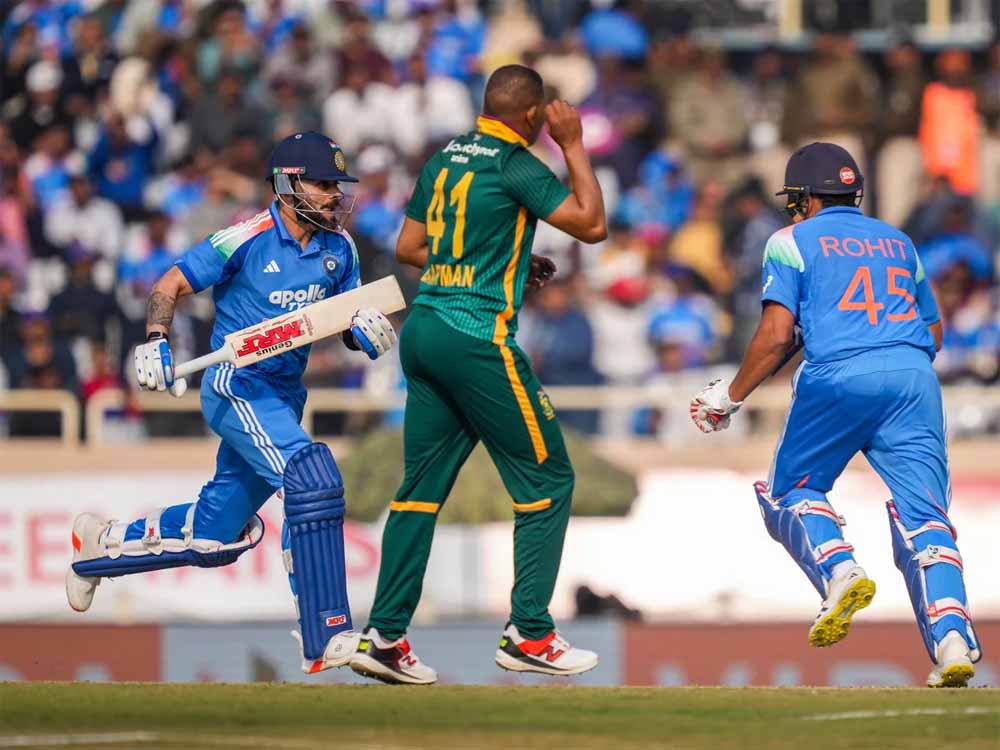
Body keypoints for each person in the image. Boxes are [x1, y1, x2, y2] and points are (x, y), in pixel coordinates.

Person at [65, 131, 398, 675]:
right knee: (311, 477)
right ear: (288, 185)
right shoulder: (246, 237)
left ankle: (98, 547)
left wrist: (362, 332)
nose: (335, 195)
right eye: (323, 184)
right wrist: (155, 339)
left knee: (215, 535)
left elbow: (342, 321)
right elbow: (170, 282)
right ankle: (327, 635)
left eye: (337, 185)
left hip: (283, 397)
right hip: (235, 384)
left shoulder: (341, 248)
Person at [349, 64, 607, 685]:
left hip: (425, 330)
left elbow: (410, 248)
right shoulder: (517, 163)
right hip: (476, 336)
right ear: (532, 116)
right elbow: (592, 225)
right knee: (548, 479)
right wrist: (572, 144)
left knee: (419, 489)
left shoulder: (443, 160)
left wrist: (509, 259)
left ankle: (384, 636)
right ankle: (530, 634)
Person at [690, 143, 982, 689]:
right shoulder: (899, 241)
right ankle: (952, 642)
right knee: (926, 519)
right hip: (914, 377)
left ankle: (839, 569)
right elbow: (934, 332)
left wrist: (728, 397)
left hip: (839, 375)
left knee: (790, 491)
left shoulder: (789, 240)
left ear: (805, 197)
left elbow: (776, 334)